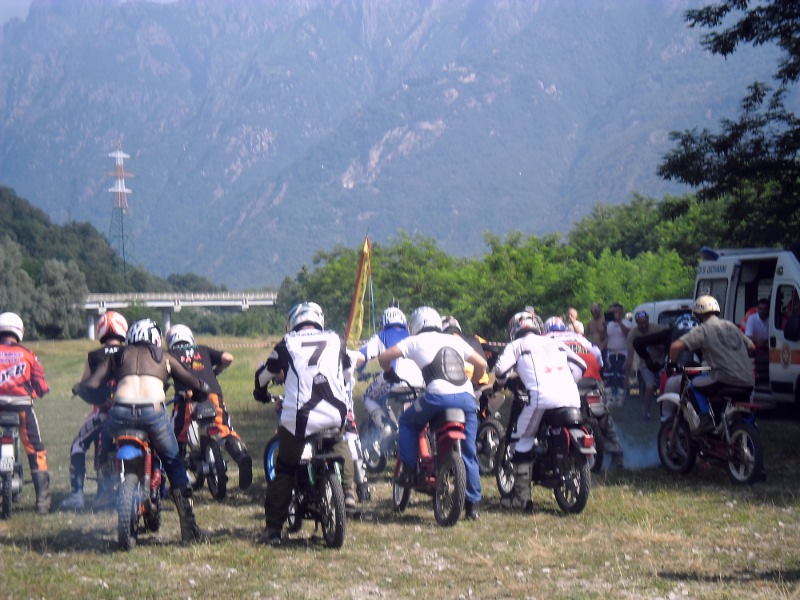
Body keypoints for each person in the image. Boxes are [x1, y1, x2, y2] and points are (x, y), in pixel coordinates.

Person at [75, 318, 209, 543]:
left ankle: (106, 481)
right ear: (156, 338)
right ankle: (189, 528)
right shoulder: (165, 357)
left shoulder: (117, 356)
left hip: (120, 413)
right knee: (174, 463)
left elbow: (92, 384)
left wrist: (79, 388)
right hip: (153, 413)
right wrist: (201, 391)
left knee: (106, 440)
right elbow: (194, 382)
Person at [253, 302, 354, 545]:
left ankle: (273, 529)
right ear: (319, 320)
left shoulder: (286, 343)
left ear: (293, 322)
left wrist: (260, 392)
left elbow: (263, 375)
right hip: (335, 413)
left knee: (285, 467)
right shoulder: (336, 340)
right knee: (339, 443)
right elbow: (348, 372)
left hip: (301, 417)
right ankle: (349, 492)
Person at [378, 306, 487, 520]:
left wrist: (389, 372)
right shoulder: (454, 340)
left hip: (437, 396)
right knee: (469, 452)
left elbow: (384, 357)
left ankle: (409, 471)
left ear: (415, 325)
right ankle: (473, 505)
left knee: (407, 422)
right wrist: (473, 382)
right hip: (467, 399)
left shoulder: (414, 341)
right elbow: (482, 363)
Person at [494, 311, 586, 510]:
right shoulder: (555, 342)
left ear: (514, 330)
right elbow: (581, 365)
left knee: (522, 439)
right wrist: (566, 381)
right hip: (571, 396)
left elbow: (500, 371)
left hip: (541, 399)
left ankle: (521, 498)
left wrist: (500, 383)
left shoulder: (516, 345)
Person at [166, 324, 253, 490]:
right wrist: (216, 370)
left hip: (187, 397)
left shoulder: (170, 354)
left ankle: (179, 478)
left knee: (175, 436)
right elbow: (228, 358)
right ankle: (241, 456)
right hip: (212, 394)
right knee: (224, 430)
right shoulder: (202, 349)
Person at [61, 311, 128, 511]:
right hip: (128, 412)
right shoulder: (130, 351)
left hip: (102, 413)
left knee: (78, 444)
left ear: (100, 330)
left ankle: (77, 494)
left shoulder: (94, 356)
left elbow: (85, 384)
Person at [544, 316, 624, 469]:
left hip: (567, 380)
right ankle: (617, 452)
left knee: (554, 412)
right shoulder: (577, 336)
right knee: (602, 414)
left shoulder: (545, 338)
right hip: (592, 378)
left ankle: (559, 450)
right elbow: (598, 355)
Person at [669, 295, 755, 435]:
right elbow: (752, 347)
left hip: (725, 378)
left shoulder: (703, 329)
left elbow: (675, 347)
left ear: (698, 314)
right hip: (748, 380)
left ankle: (705, 419)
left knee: (692, 386)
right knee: (746, 416)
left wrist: (672, 366)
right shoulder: (731, 326)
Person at [0, 312, 52, 514]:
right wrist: (42, 391)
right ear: (19, 331)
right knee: (36, 450)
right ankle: (42, 502)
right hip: (22, 407)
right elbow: (40, 384)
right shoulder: (28, 355)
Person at [357, 306, 424, 444]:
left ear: (383, 322)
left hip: (395, 380)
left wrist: (360, 370)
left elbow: (361, 356)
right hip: (419, 382)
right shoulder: (413, 336)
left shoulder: (381, 336)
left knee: (369, 397)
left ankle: (385, 427)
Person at [625, 310, 665, 420]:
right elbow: (630, 355)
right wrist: (627, 375)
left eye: (644, 323)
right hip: (645, 363)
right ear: (636, 323)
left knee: (666, 385)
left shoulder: (657, 329)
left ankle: (666, 411)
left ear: (648, 320)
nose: (643, 326)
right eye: (640, 323)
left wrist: (650, 343)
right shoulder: (633, 334)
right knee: (649, 386)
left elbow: (665, 347)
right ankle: (646, 412)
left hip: (661, 361)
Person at [604, 303, 629, 406]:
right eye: (613, 312)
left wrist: (619, 322)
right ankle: (610, 399)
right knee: (610, 375)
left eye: (617, 311)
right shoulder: (608, 324)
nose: (615, 313)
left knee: (621, 375)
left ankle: (620, 398)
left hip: (623, 352)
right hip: (611, 352)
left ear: (621, 312)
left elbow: (628, 333)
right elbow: (603, 337)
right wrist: (604, 326)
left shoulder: (627, 322)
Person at [744, 298, 770, 381]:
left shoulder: (773, 319)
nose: (762, 311)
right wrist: (757, 341)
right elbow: (748, 336)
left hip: (770, 346)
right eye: (760, 309)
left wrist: (766, 341)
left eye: (765, 309)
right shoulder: (752, 318)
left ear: (768, 309)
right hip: (755, 346)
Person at [586, 303, 608, 368]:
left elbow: (611, 333)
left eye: (595, 310)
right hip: (595, 350)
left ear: (599, 310)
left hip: (605, 349)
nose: (593, 312)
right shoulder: (590, 322)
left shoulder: (606, 318)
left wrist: (604, 330)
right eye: (592, 311)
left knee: (604, 368)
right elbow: (586, 335)